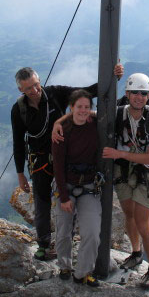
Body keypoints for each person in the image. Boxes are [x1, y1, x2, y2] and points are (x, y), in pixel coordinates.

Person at [11, 64, 122, 261]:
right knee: (42, 202)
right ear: (21, 89)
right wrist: (20, 174)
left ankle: (74, 242)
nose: (35, 91)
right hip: (41, 161)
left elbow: (86, 93)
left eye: (36, 85)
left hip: (65, 156)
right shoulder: (19, 110)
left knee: (71, 195)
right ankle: (44, 246)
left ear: (39, 81)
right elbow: (18, 142)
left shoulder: (55, 94)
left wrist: (112, 77)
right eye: (29, 88)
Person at [102, 73, 149, 289]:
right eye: (136, 93)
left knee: (142, 222)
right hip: (124, 173)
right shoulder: (119, 114)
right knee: (129, 215)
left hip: (145, 175)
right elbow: (90, 116)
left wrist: (119, 154)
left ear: (148, 96)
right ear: (127, 94)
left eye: (144, 93)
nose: (140, 97)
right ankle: (136, 252)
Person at [51, 90, 101, 286]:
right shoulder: (63, 129)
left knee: (91, 231)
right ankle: (64, 265)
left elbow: (104, 114)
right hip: (66, 185)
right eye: (79, 107)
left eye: (87, 107)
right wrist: (63, 197)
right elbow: (58, 166)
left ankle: (83, 272)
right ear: (71, 108)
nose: (83, 110)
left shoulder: (95, 123)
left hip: (88, 185)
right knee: (63, 230)